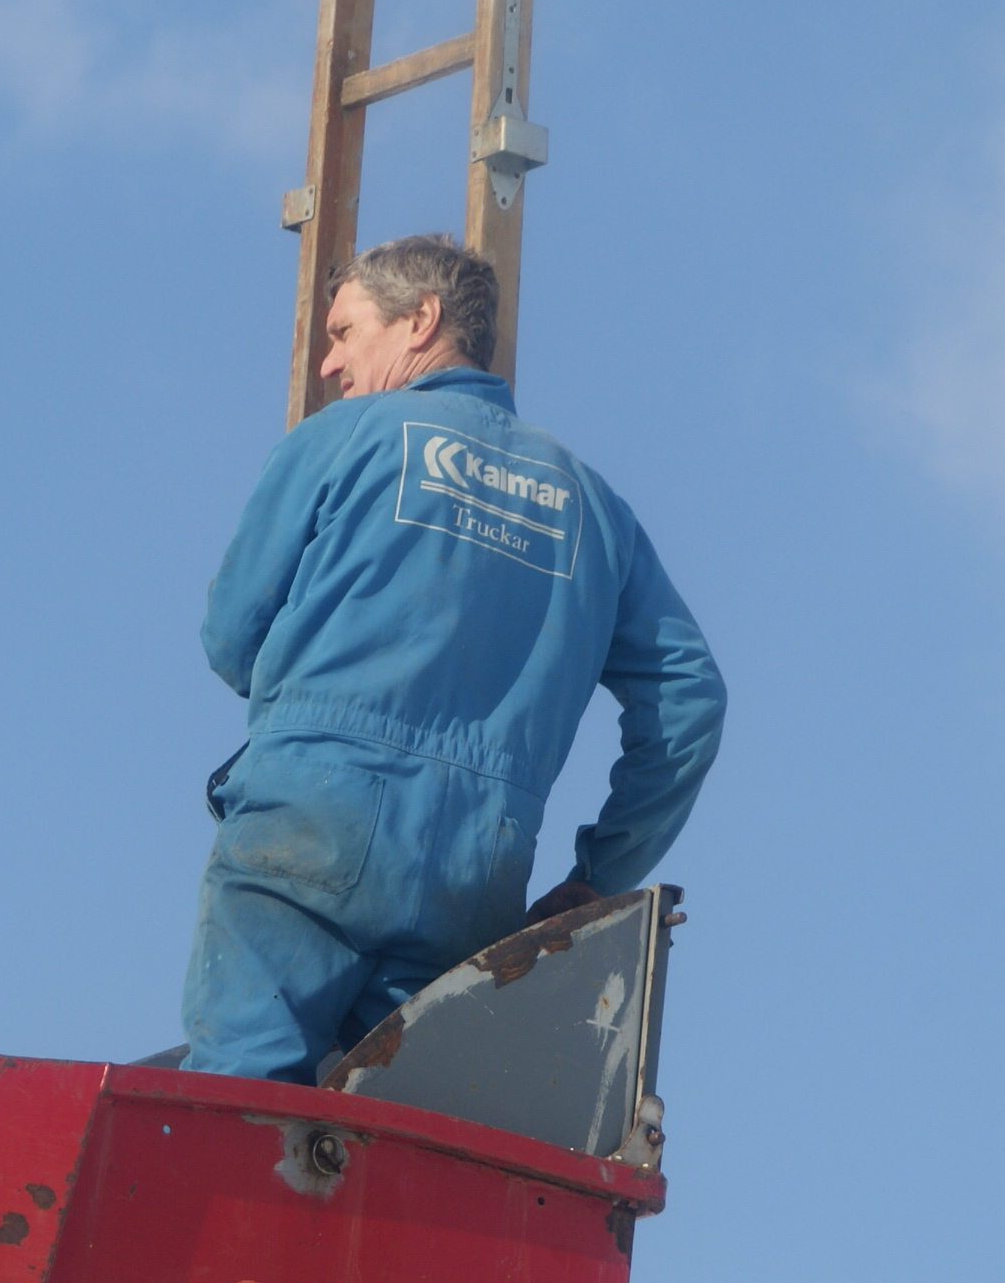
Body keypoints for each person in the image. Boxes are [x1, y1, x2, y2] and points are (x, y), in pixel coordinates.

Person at [183, 234, 725, 1082]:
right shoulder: (593, 506)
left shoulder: (342, 438)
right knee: (402, 1123)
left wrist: (314, 708)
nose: (329, 363)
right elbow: (690, 699)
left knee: (238, 1104)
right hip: (474, 871)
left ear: (421, 321)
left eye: (344, 331)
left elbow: (230, 636)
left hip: (308, 819)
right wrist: (600, 874)